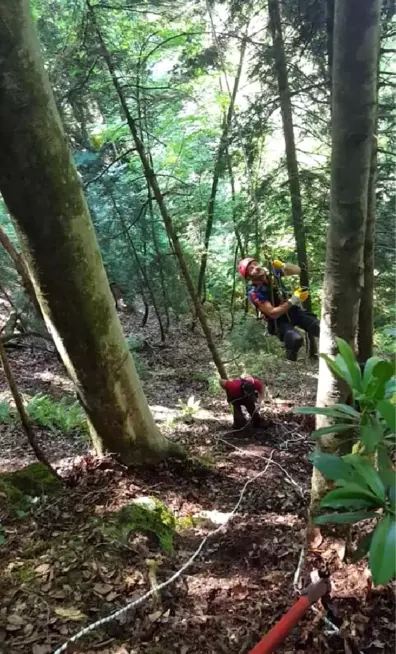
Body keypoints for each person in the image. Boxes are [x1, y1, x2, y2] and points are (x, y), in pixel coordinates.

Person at [238, 256, 320, 361]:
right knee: (295, 339)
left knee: (318, 327)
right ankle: (290, 360)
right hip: (278, 321)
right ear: (249, 277)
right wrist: (294, 299)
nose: (256, 268)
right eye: (251, 269)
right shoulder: (255, 292)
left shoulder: (272, 275)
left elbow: (297, 270)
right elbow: (273, 313)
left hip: (294, 312)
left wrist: (283, 266)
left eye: (256, 264)